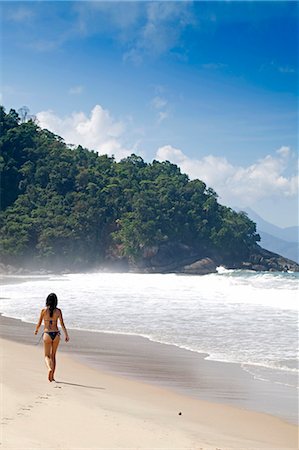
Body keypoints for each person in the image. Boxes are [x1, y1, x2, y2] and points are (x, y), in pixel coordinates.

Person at [34, 293, 69, 382]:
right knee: (53, 355)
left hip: (47, 334)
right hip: (56, 335)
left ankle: (49, 368)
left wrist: (36, 330)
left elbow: (39, 323)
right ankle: (52, 376)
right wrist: (66, 335)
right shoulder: (58, 311)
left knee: (46, 355)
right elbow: (62, 324)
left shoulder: (44, 311)